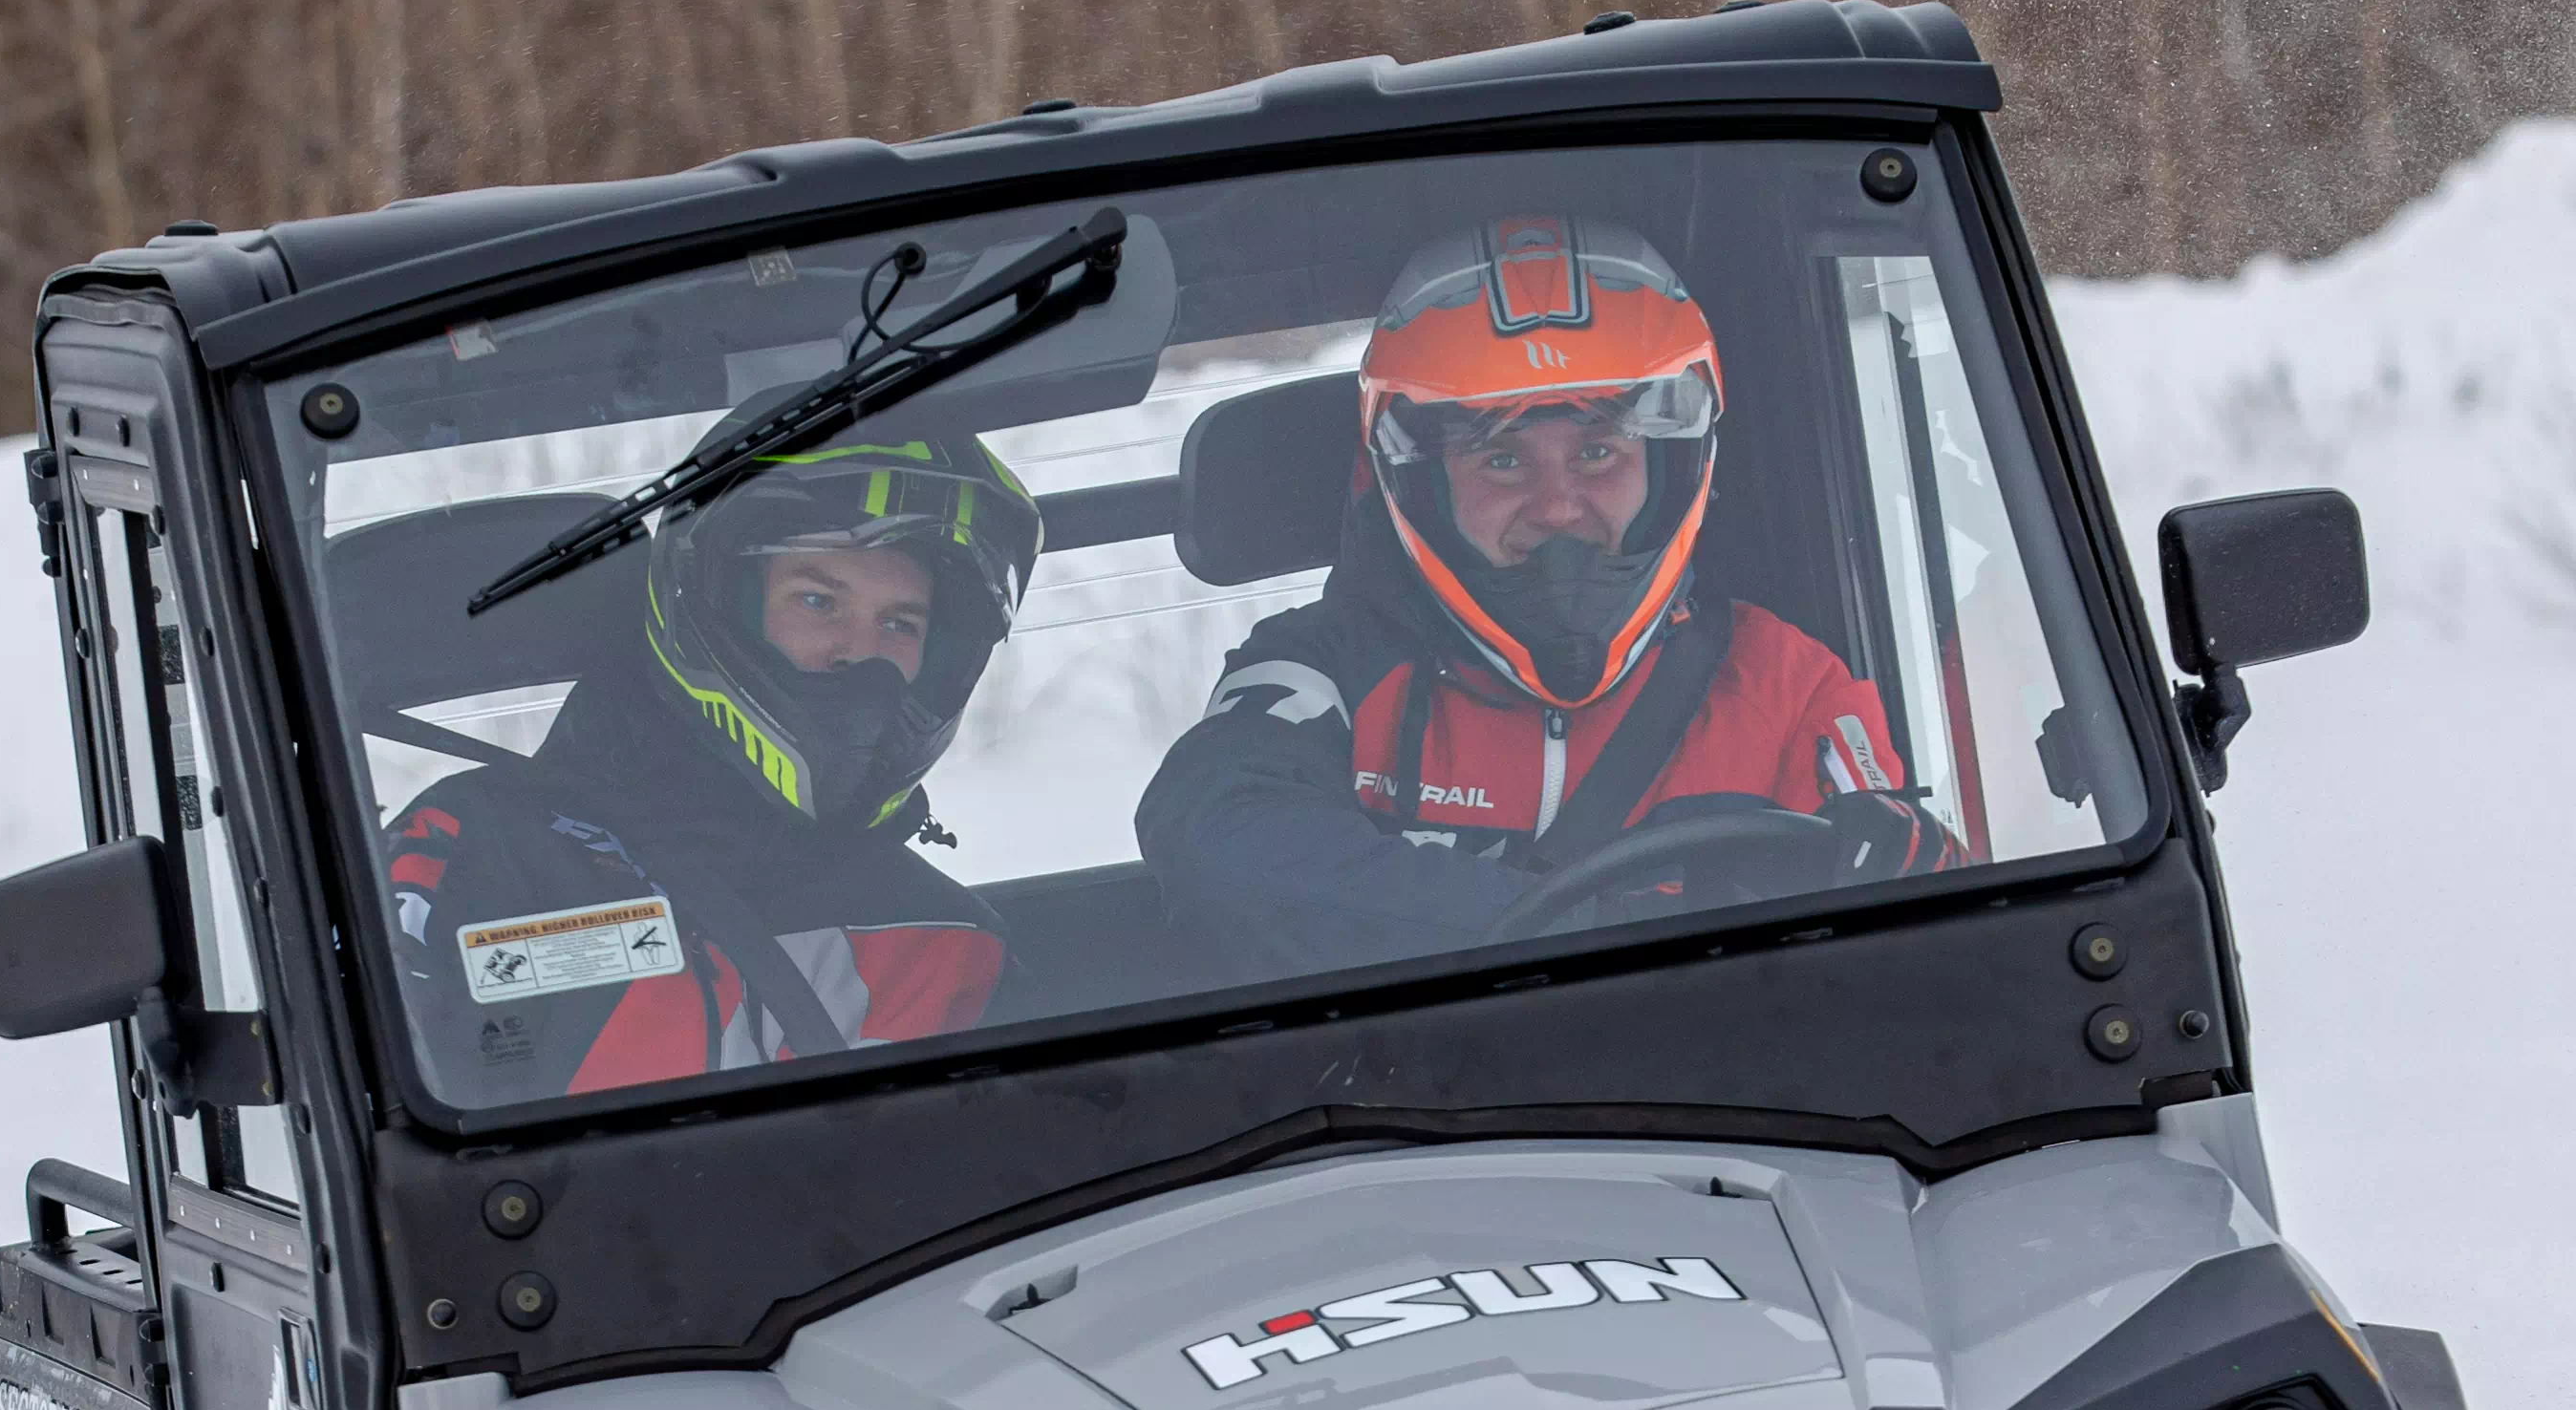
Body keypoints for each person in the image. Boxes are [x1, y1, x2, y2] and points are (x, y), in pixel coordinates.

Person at [1135, 210, 1966, 978]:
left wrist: (1911, 866)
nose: (1559, 506)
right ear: (1420, 484)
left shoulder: (1786, 685)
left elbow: (1903, 965)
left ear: (1673, 467)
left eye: (1599, 453)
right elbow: (1215, 838)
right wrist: (1605, 935)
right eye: (1503, 460)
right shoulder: (1323, 669)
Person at [383, 432, 1041, 1097]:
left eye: (900, 625)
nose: (858, 654)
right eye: (819, 601)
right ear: (721, 602)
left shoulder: (953, 943)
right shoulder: (481, 851)